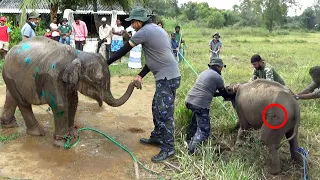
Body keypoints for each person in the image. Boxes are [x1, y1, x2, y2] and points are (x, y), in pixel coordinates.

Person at [107, 7, 181, 162]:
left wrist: (105, 62)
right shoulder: (156, 30)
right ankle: (158, 137)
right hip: (168, 76)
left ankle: (169, 148)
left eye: (133, 22)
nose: (132, 26)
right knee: (156, 106)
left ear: (139, 21)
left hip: (167, 78)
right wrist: (140, 75)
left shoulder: (144, 32)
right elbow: (153, 59)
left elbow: (124, 50)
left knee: (165, 113)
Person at [185, 57, 236, 154]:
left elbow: (210, 91)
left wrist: (221, 93)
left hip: (190, 101)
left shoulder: (204, 73)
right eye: (221, 67)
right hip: (200, 105)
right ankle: (192, 150)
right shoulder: (217, 77)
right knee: (204, 131)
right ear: (218, 66)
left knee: (196, 122)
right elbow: (225, 94)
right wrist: (234, 93)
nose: (222, 69)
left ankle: (189, 140)